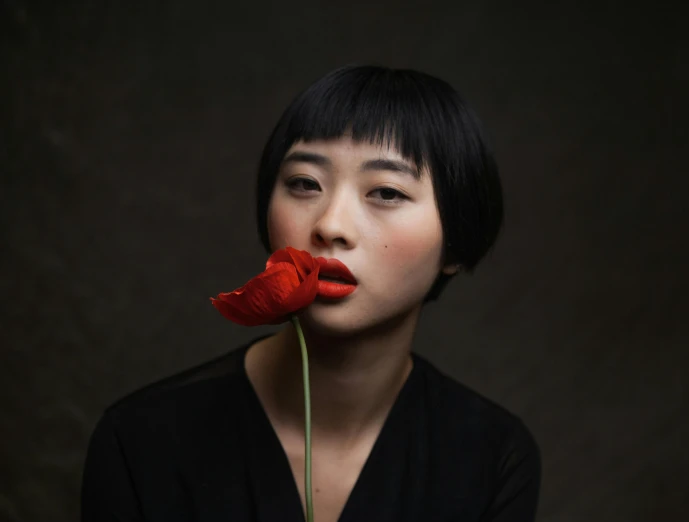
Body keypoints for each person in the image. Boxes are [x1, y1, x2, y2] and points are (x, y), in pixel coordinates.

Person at [81, 64, 542, 522]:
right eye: (304, 184)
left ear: (457, 243)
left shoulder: (493, 456)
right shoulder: (142, 440)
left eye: (385, 191)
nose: (330, 226)